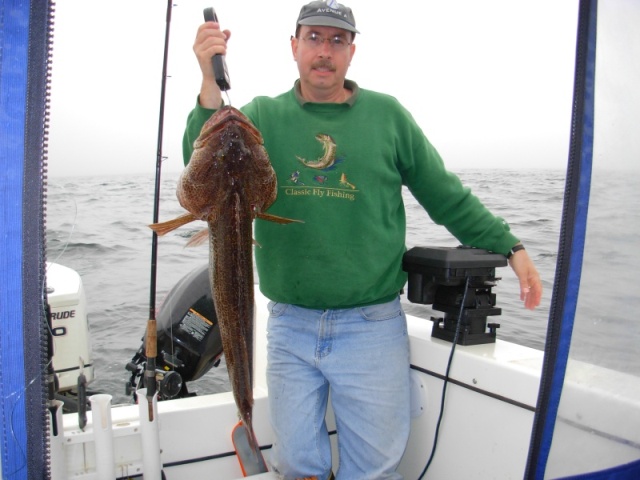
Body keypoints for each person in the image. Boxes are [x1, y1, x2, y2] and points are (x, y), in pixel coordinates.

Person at [184, 2, 542, 479]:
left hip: (371, 327)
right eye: (313, 38)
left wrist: (510, 246)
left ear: (352, 51)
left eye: (337, 40)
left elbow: (446, 196)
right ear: (294, 47)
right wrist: (209, 82)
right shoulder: (262, 115)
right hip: (288, 326)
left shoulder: (388, 116)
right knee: (296, 467)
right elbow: (203, 158)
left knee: (372, 471)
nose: (324, 51)